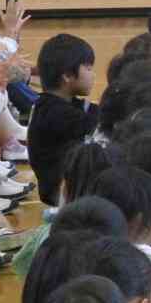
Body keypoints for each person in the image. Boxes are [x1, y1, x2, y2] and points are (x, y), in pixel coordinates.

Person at [27, 34, 99, 206]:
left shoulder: (62, 103)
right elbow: (95, 121)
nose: (93, 75)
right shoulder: (53, 112)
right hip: (60, 192)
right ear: (67, 75)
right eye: (88, 68)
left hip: (68, 186)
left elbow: (95, 112)